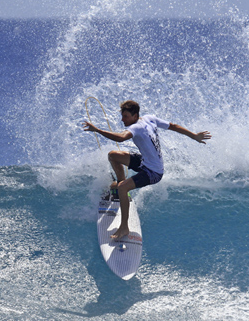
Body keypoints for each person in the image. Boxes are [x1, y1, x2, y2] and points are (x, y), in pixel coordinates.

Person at [83, 100, 211, 239]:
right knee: (113, 156)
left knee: (123, 188)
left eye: (126, 116)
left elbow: (120, 138)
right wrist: (194, 136)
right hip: (146, 162)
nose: (122, 119)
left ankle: (124, 227)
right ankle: (120, 183)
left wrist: (97, 130)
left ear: (135, 115)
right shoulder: (150, 118)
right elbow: (173, 126)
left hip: (153, 173)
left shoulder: (136, 128)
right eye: (122, 115)